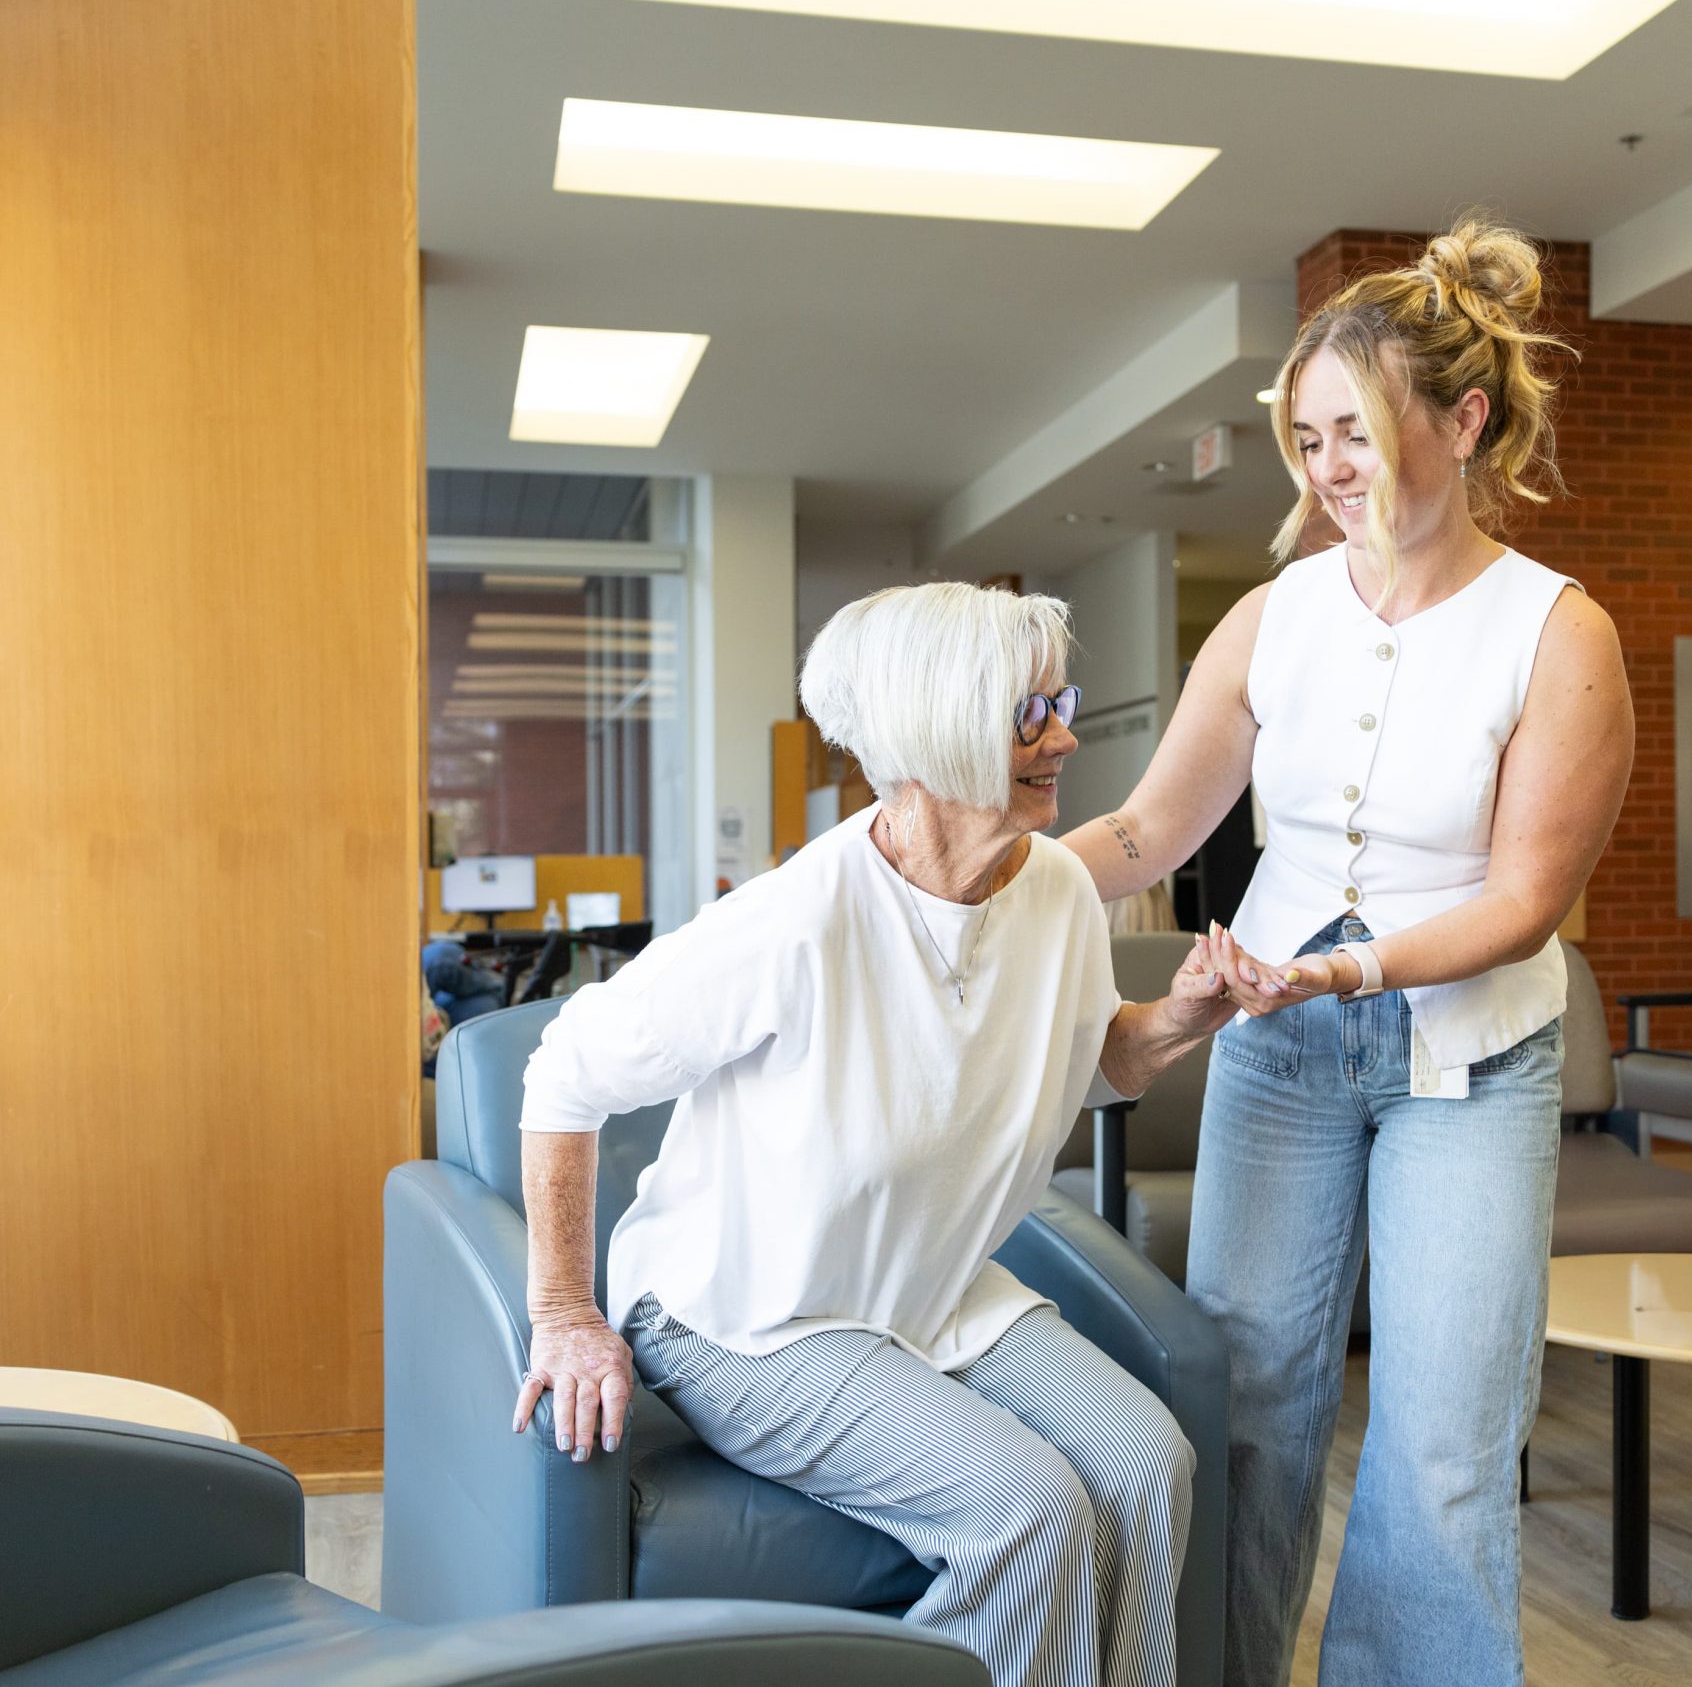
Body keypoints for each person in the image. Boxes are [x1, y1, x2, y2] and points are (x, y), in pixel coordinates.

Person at [1063, 215, 1634, 1686]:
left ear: (1464, 419)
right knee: (1251, 1404)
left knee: (1445, 1436)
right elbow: (1145, 830)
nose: (1328, 470)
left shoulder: (1558, 635)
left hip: (1469, 1055)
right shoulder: (1273, 615)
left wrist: (1347, 970)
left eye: (1358, 433)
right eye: (1307, 438)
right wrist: (969, 880)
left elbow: (1524, 904)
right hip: (1280, 1051)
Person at [511, 582, 1238, 1687]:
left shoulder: (1050, 894)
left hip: (932, 1285)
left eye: (1058, 701)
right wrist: (565, 1312)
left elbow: (1089, 1057)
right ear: (935, 732)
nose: (1066, 733)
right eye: (1028, 713)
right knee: (1028, 1509)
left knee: (1147, 1463)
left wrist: (1184, 1017)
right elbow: (563, 1074)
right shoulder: (793, 922)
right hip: (752, 1311)